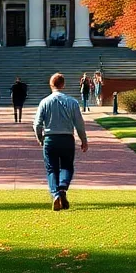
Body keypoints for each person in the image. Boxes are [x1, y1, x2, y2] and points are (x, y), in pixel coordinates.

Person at [33, 73, 89, 210]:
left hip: (50, 138)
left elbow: (37, 124)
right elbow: (79, 124)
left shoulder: (45, 102)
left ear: (51, 85)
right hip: (67, 138)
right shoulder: (72, 102)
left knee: (51, 168)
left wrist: (40, 138)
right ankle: (63, 188)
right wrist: (84, 140)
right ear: (63, 85)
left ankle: (56, 193)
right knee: (67, 166)